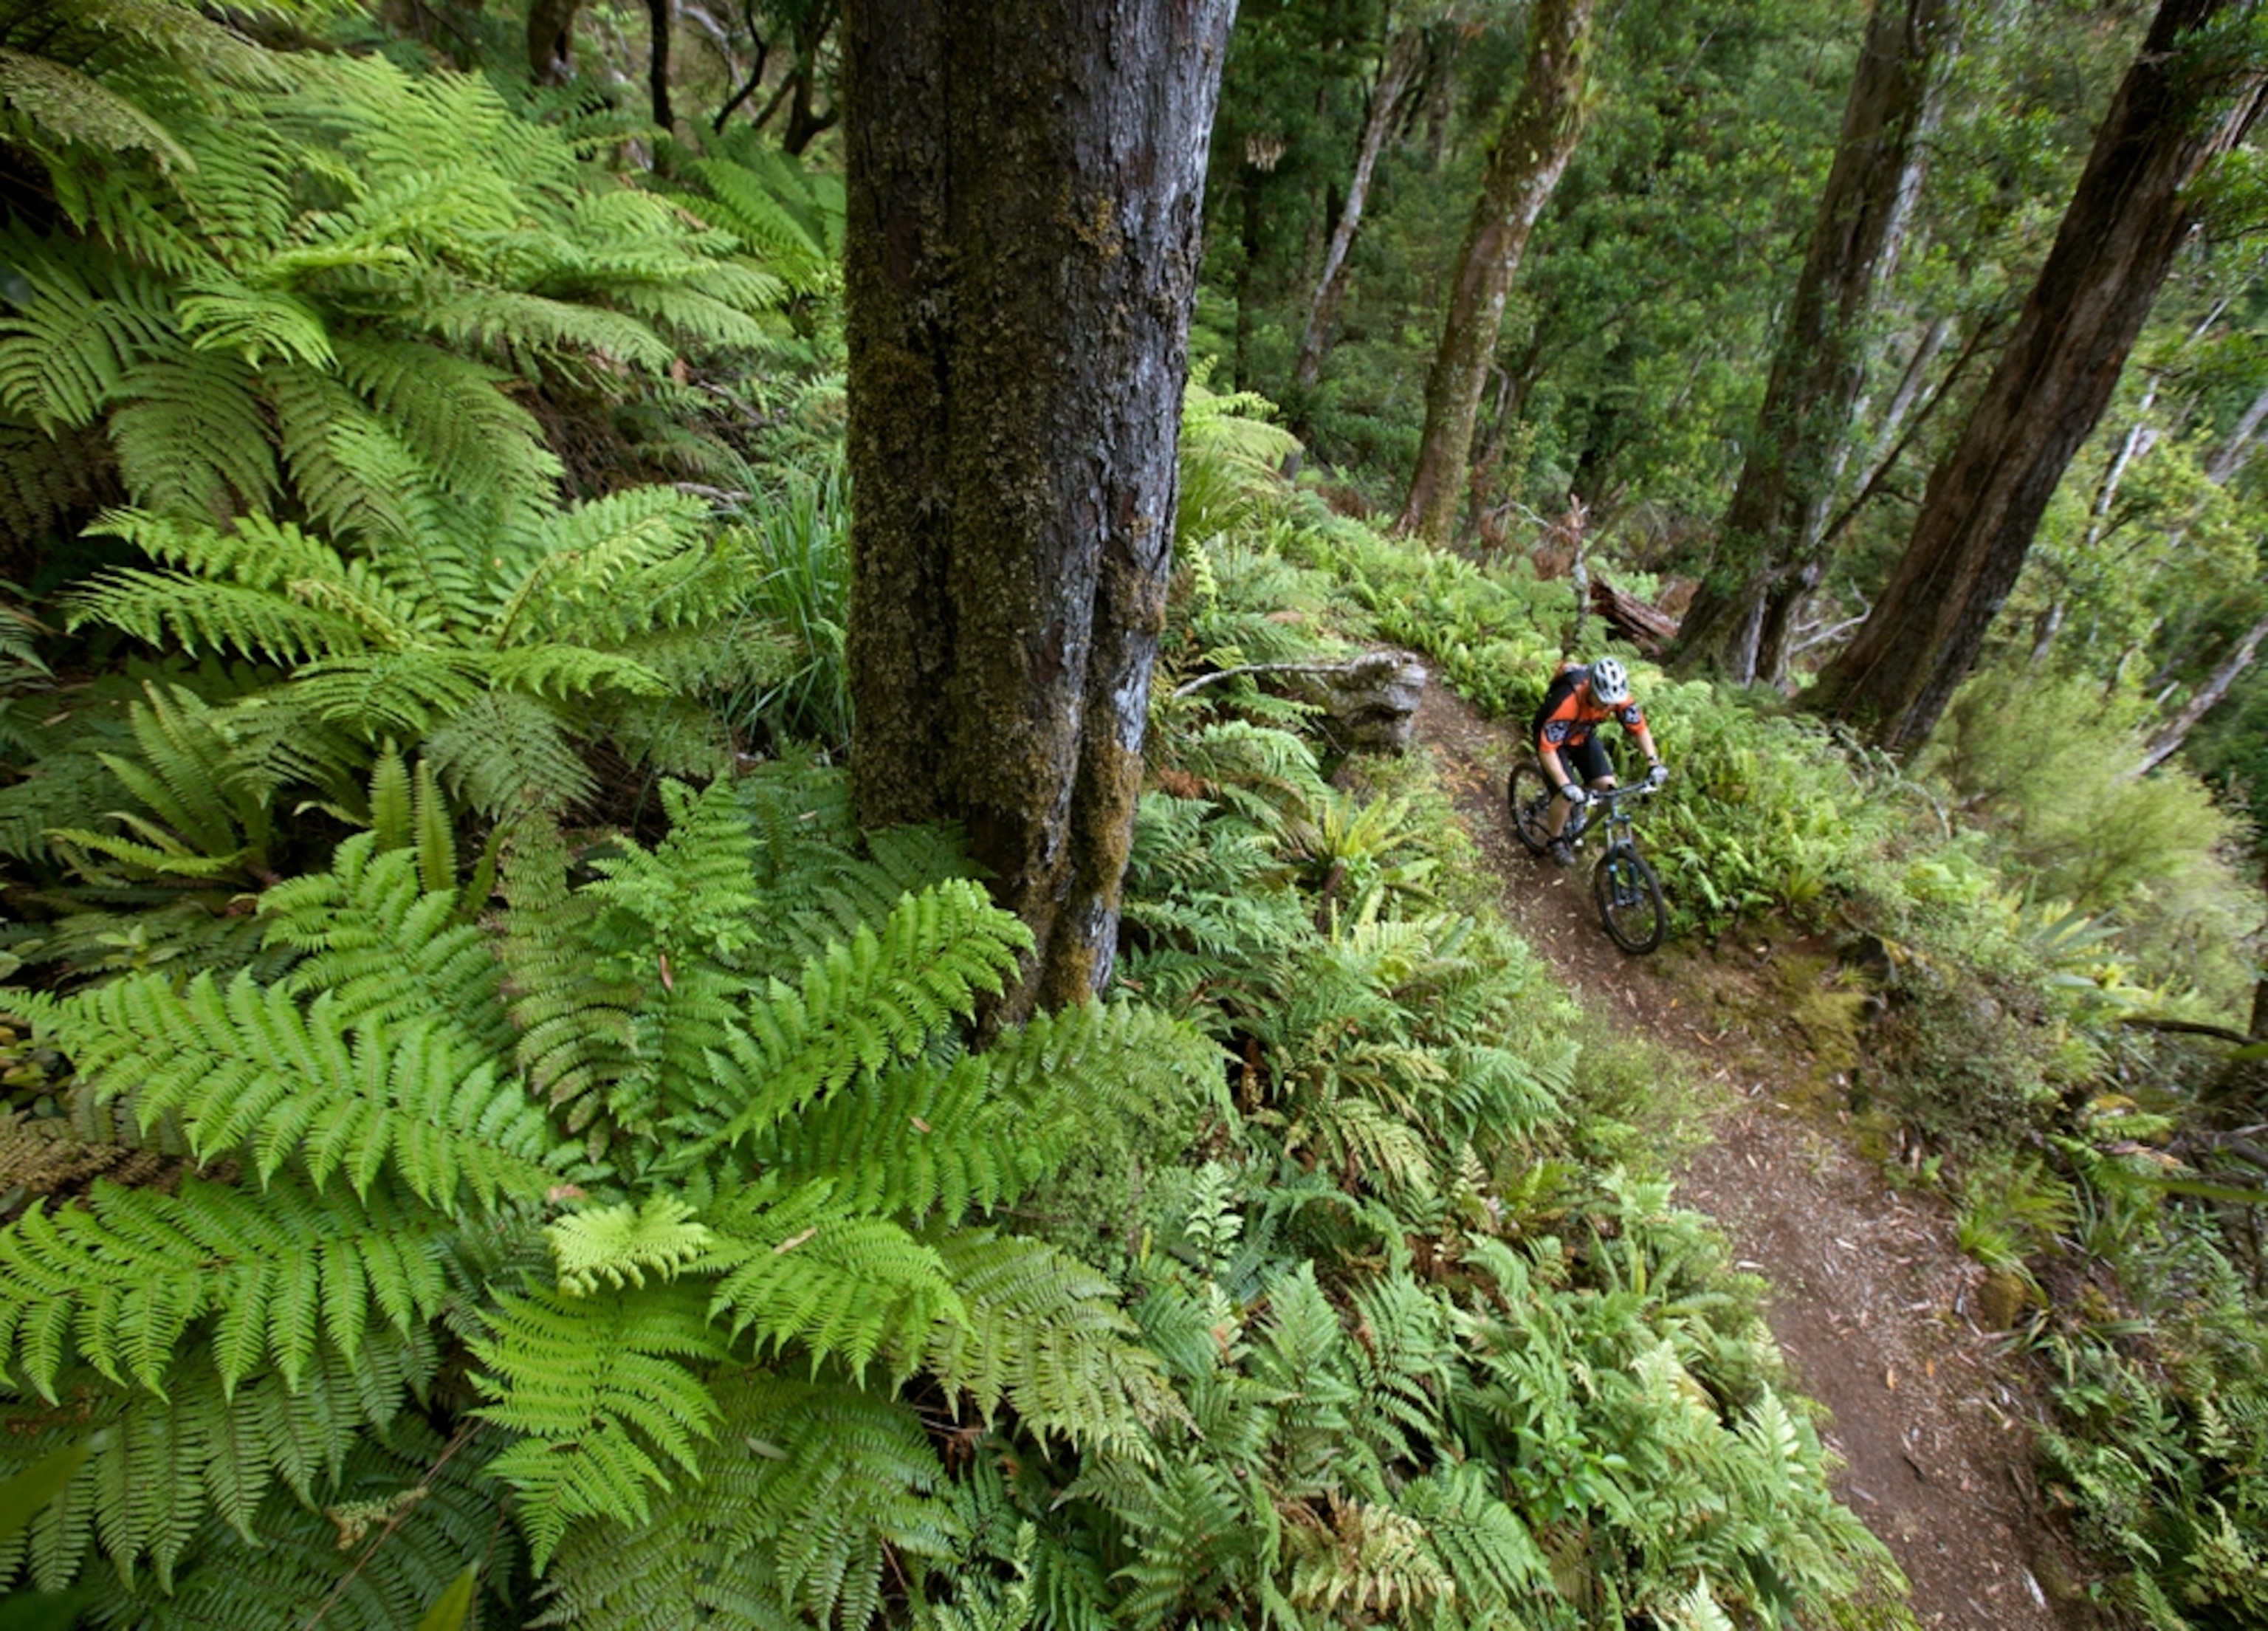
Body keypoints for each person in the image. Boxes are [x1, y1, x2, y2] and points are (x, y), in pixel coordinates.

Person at [1530, 655, 1666, 867]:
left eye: (1611, 703)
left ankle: (1577, 807)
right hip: (1553, 742)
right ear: (1591, 689)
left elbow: (1639, 729)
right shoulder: (1568, 701)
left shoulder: (1618, 698)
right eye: (1603, 701)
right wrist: (1565, 785)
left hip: (1582, 734)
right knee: (1565, 794)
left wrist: (1653, 762)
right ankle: (1555, 840)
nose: (1607, 707)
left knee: (1606, 786)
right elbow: (1547, 749)